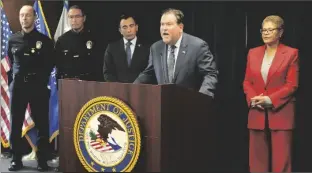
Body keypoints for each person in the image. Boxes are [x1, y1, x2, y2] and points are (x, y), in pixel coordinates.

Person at [243, 15, 299, 172]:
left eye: (270, 30)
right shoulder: (253, 53)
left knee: (281, 161)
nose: (266, 33)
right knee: (256, 161)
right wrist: (253, 98)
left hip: (281, 112)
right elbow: (247, 82)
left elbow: (292, 85)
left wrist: (270, 99)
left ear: (280, 32)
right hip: (256, 110)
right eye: (263, 30)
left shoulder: (291, 53)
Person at [7, 5, 54, 171]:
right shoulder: (13, 39)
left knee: (42, 123)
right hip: (18, 87)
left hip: (38, 86)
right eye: (21, 15)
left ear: (34, 17)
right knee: (16, 123)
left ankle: (42, 160)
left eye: (27, 15)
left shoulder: (45, 41)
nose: (24, 18)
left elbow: (49, 65)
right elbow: (11, 63)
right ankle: (15, 159)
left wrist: (39, 80)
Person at [134, 8, 218, 98]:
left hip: (190, 104)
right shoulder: (156, 48)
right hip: (163, 105)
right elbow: (148, 74)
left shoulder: (197, 46)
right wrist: (130, 89)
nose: (164, 28)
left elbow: (210, 74)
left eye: (169, 24)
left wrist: (202, 97)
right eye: (162, 24)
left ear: (180, 27)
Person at [55, 5, 102, 81]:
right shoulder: (62, 40)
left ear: (84, 18)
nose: (74, 20)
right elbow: (58, 65)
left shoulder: (94, 38)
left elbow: (99, 64)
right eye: (71, 17)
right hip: (68, 83)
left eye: (77, 16)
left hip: (89, 82)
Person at [103, 14, 150, 83]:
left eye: (131, 26)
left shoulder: (148, 48)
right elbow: (107, 73)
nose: (128, 30)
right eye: (124, 27)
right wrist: (119, 88)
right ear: (120, 30)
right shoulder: (112, 48)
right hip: (118, 90)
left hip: (141, 90)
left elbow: (149, 72)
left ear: (136, 27)